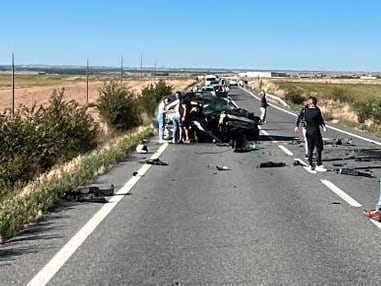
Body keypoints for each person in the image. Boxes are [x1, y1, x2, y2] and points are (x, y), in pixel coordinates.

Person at [302, 96, 327, 171]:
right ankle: (318, 164)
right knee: (319, 148)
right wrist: (323, 127)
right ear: (314, 104)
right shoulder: (316, 111)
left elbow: (304, 119)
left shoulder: (305, 111)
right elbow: (319, 120)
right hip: (315, 131)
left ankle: (310, 164)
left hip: (308, 131)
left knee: (310, 148)